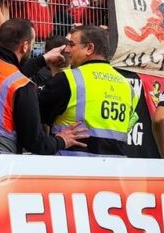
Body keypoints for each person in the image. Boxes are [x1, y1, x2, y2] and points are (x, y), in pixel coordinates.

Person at [0, 19, 84, 155]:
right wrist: (61, 140)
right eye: (31, 44)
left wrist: (42, 59)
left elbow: (1, 78)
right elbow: (36, 143)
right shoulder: (22, 86)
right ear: (24, 46)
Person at [40, 24, 141, 156]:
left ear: (89, 48)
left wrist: (56, 140)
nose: (67, 50)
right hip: (114, 170)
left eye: (72, 44)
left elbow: (34, 116)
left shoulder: (69, 80)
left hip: (71, 168)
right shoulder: (127, 87)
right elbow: (128, 125)